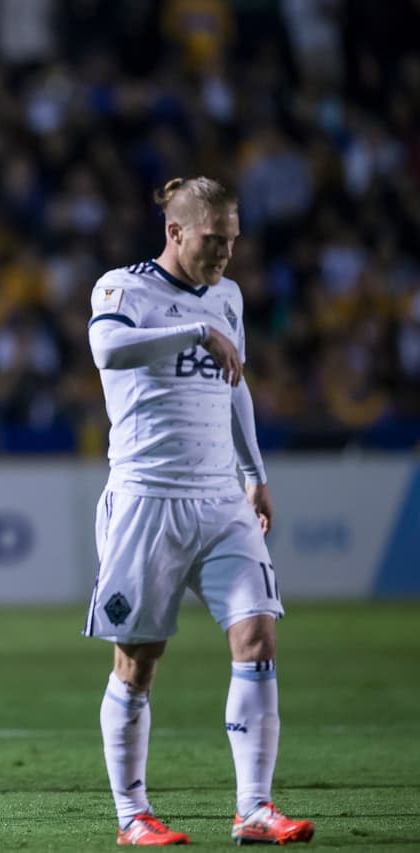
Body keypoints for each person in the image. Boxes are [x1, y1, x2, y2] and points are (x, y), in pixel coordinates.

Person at [85, 176, 315, 846]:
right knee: (138, 659)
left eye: (232, 242)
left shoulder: (229, 295)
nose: (224, 255)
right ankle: (133, 815)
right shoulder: (121, 288)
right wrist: (194, 330)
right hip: (145, 498)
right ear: (175, 232)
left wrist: (255, 472)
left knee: (258, 636)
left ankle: (255, 808)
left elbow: (235, 381)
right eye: (213, 241)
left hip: (222, 497)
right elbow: (107, 350)